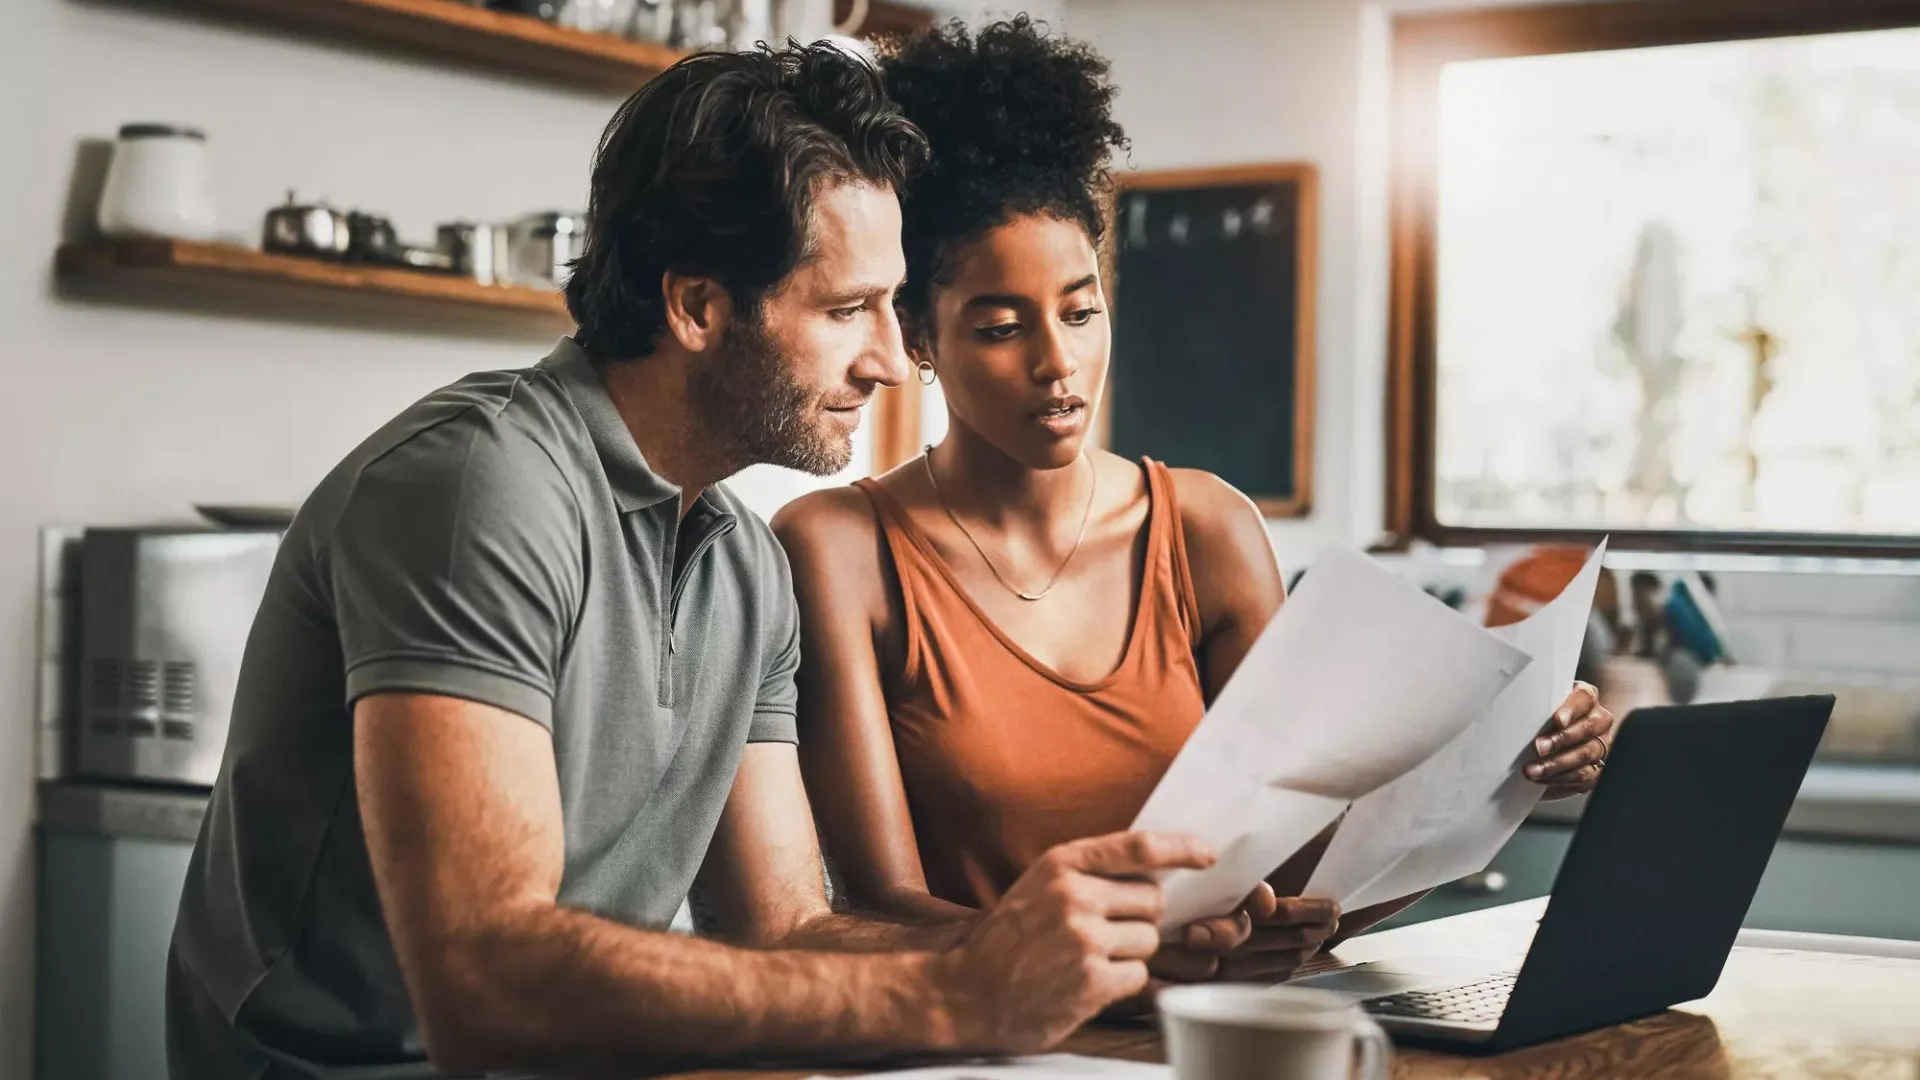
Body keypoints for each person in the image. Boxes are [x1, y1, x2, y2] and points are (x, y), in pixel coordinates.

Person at [167, 41, 1245, 1080]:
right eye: (845, 310)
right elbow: (482, 981)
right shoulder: (480, 490)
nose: (885, 358)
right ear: (696, 306)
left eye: (890, 305)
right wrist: (954, 998)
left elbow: (784, 928)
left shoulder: (743, 566)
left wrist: (1061, 952)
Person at [773, 18, 1617, 989]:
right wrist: (1128, 958)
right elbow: (878, 908)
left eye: (1082, 311)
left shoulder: (1206, 530)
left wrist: (1506, 770)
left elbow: (1304, 873)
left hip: (1208, 1035)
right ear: (916, 334)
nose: (1059, 363)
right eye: (1002, 326)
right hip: (987, 1049)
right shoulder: (840, 550)